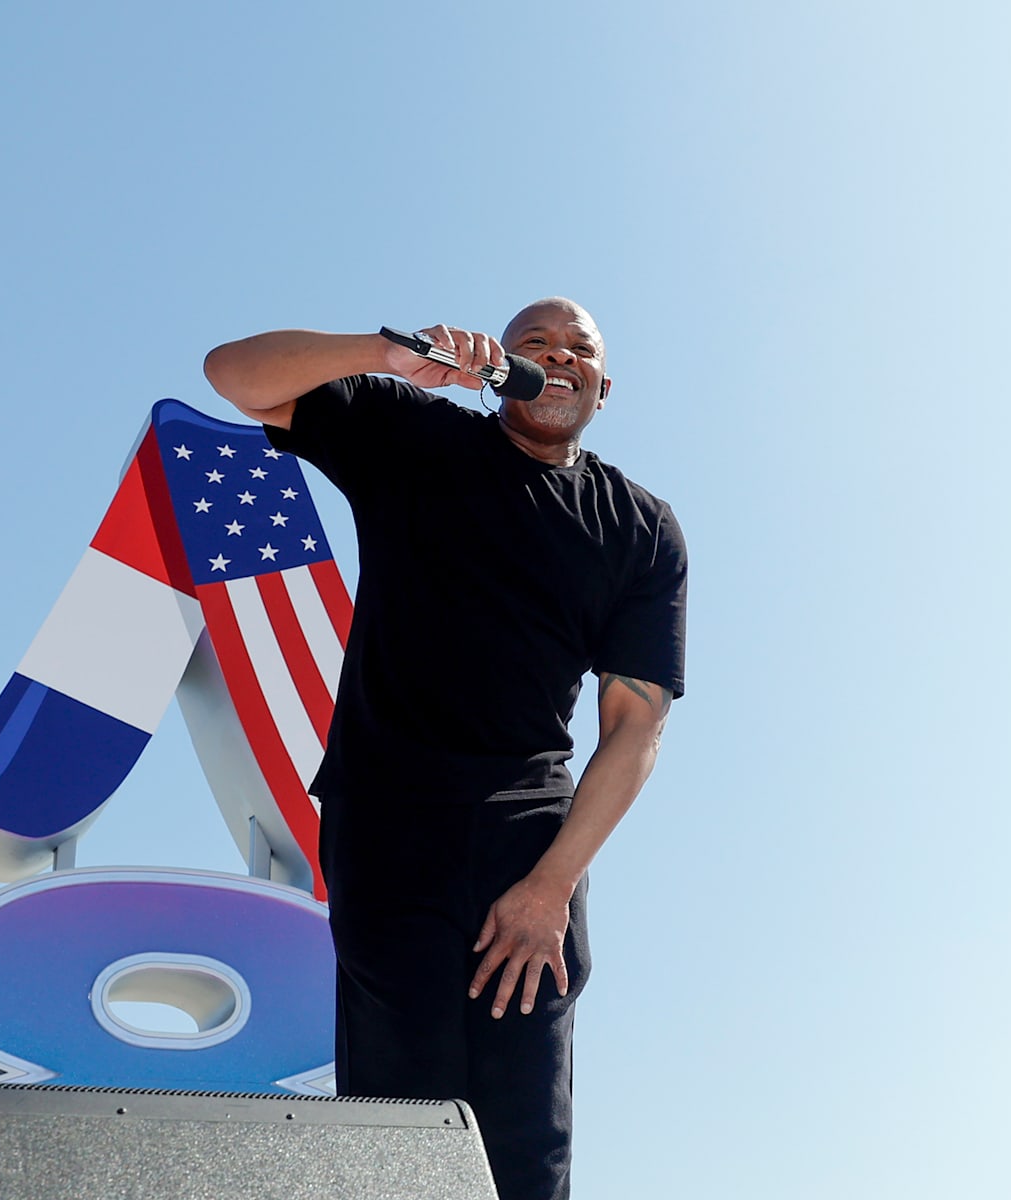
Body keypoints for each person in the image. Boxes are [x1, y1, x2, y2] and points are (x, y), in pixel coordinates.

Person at [203, 299, 686, 1200]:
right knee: (401, 1119)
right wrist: (389, 355)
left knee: (525, 1137)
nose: (556, 358)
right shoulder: (414, 435)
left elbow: (636, 726)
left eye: (576, 349)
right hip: (390, 815)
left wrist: (551, 887)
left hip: (531, 841)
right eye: (533, 345)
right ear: (502, 366)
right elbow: (234, 374)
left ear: (602, 387)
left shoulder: (640, 528)